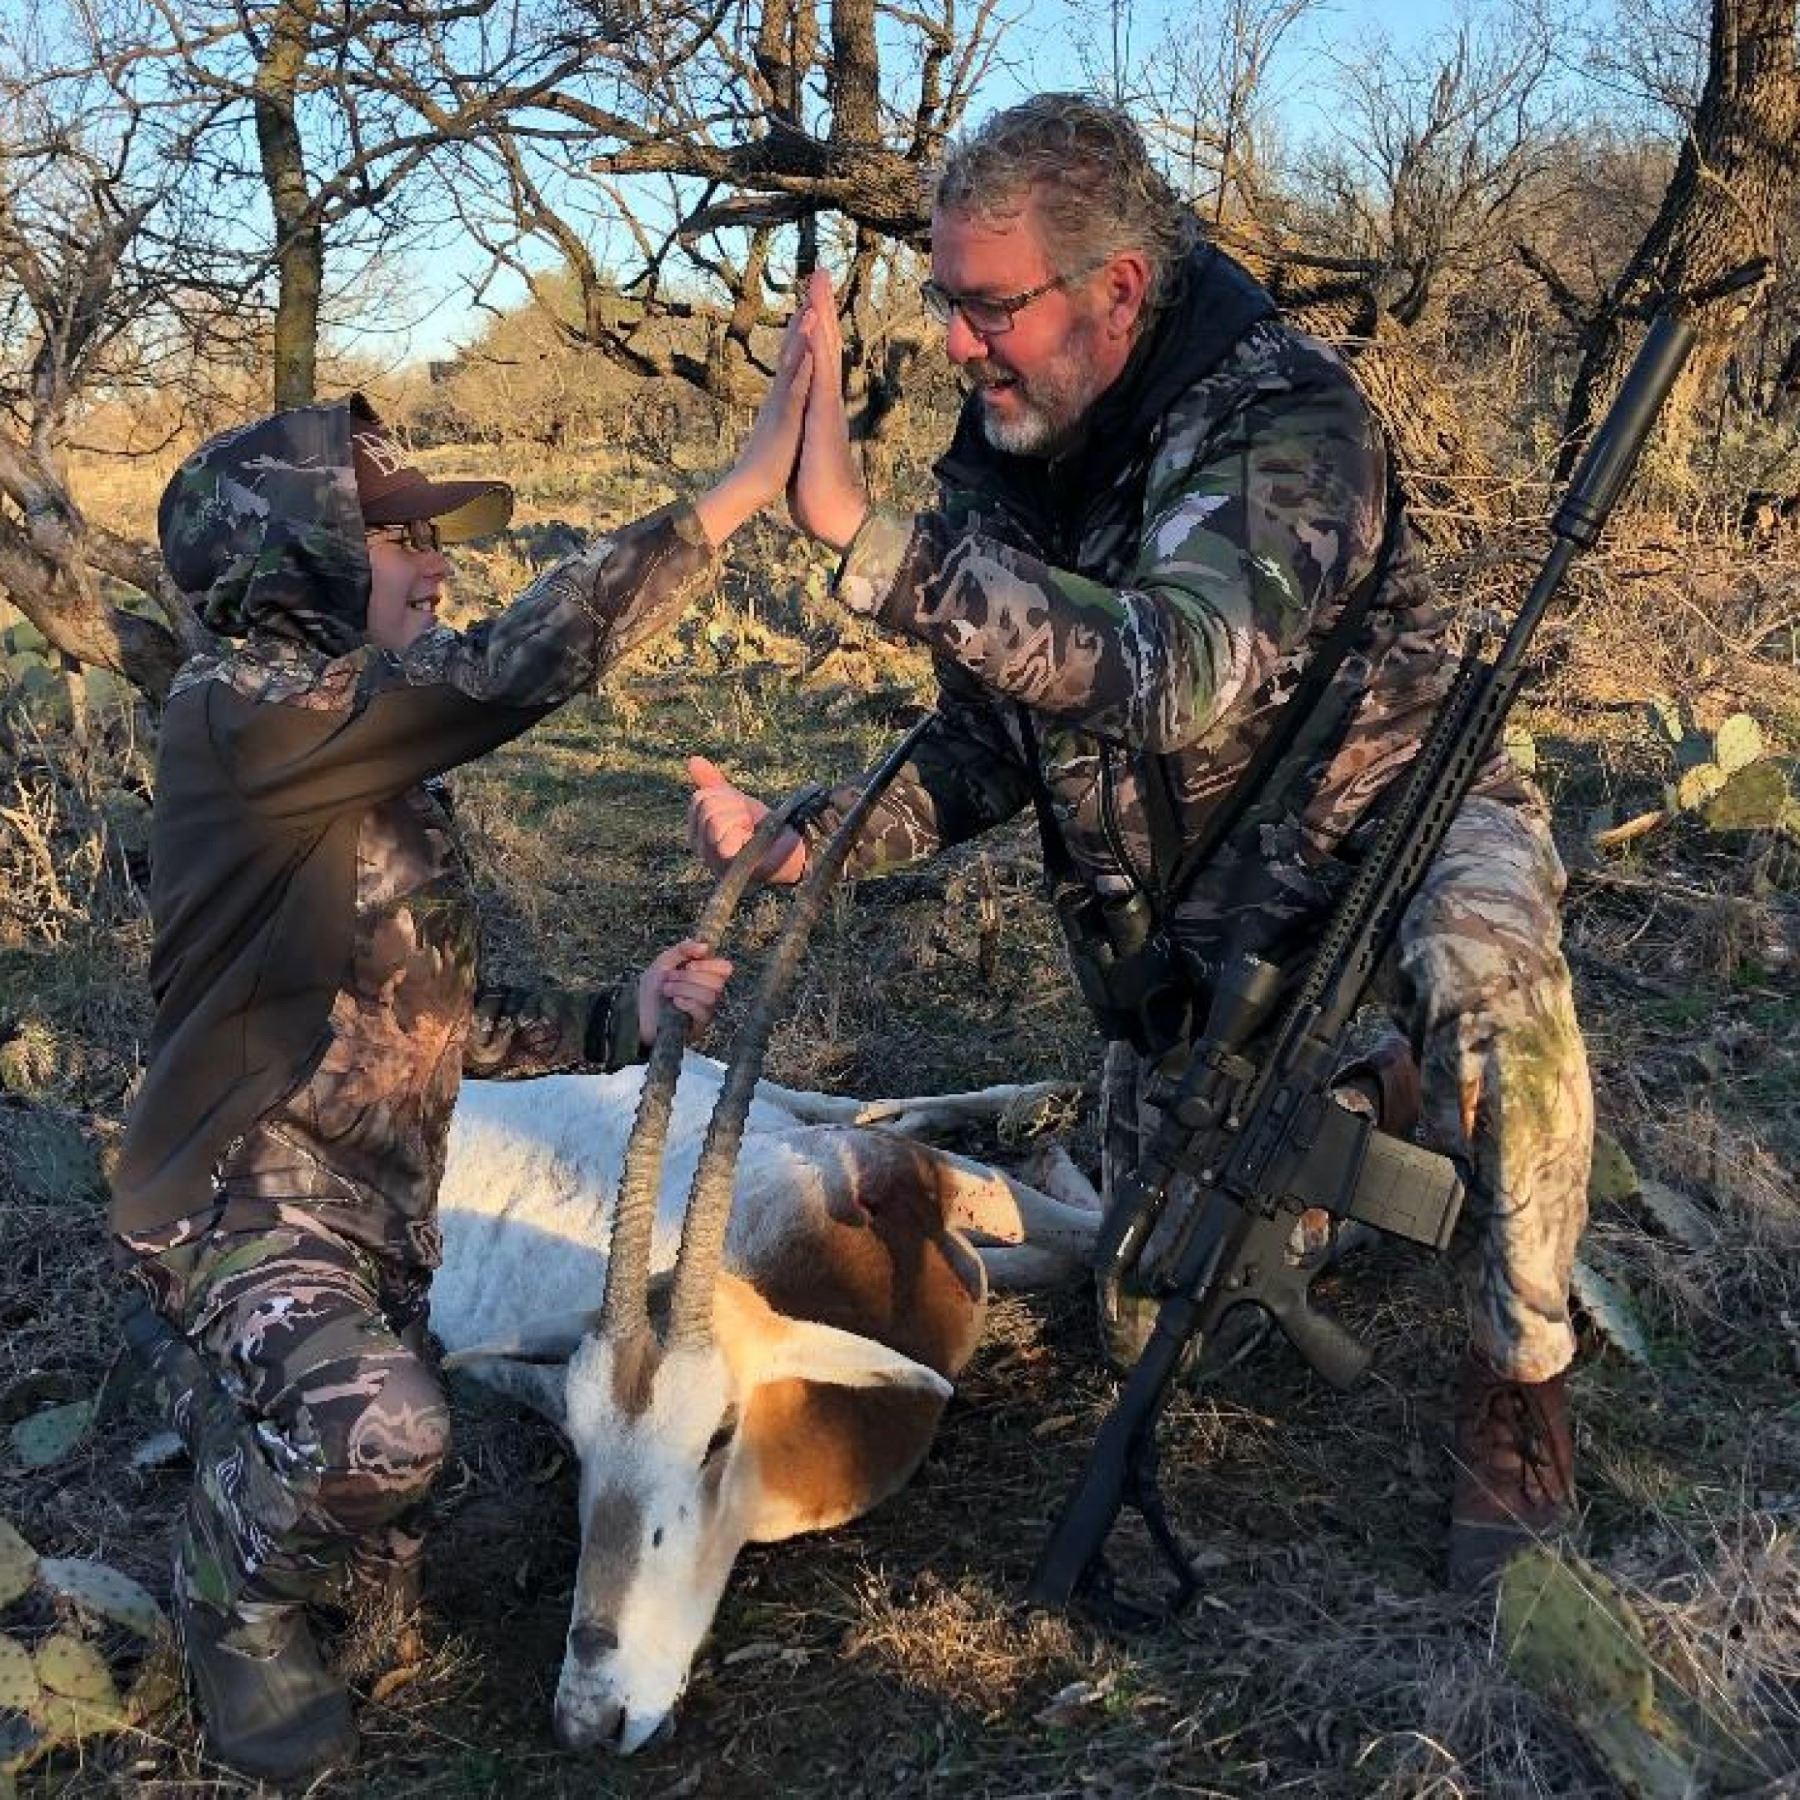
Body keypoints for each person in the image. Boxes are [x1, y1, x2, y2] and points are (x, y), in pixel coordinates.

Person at [688, 94, 1591, 1594]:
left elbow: (1178, 672)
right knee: (1173, 1283)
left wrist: (868, 542)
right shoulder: (1012, 445)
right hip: (1205, 906)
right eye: (944, 305)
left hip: (1395, 822)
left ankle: (1524, 1371)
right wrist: (828, 836)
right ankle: (1371, 1087)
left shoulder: (1289, 420)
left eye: (990, 307)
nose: (962, 346)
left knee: (1493, 988)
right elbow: (988, 734)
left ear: (1113, 290)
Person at [112, 324, 812, 1783]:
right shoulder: (244, 714)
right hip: (236, 1204)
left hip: (375, 1214)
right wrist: (737, 493)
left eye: (431, 542)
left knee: (394, 1489)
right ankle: (225, 1595)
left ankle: (242, 1405)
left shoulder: (358, 753)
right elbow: (507, 672)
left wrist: (625, 1013)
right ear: (291, 564)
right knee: (385, 1439)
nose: (437, 568)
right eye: (392, 541)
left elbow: (425, 1022)